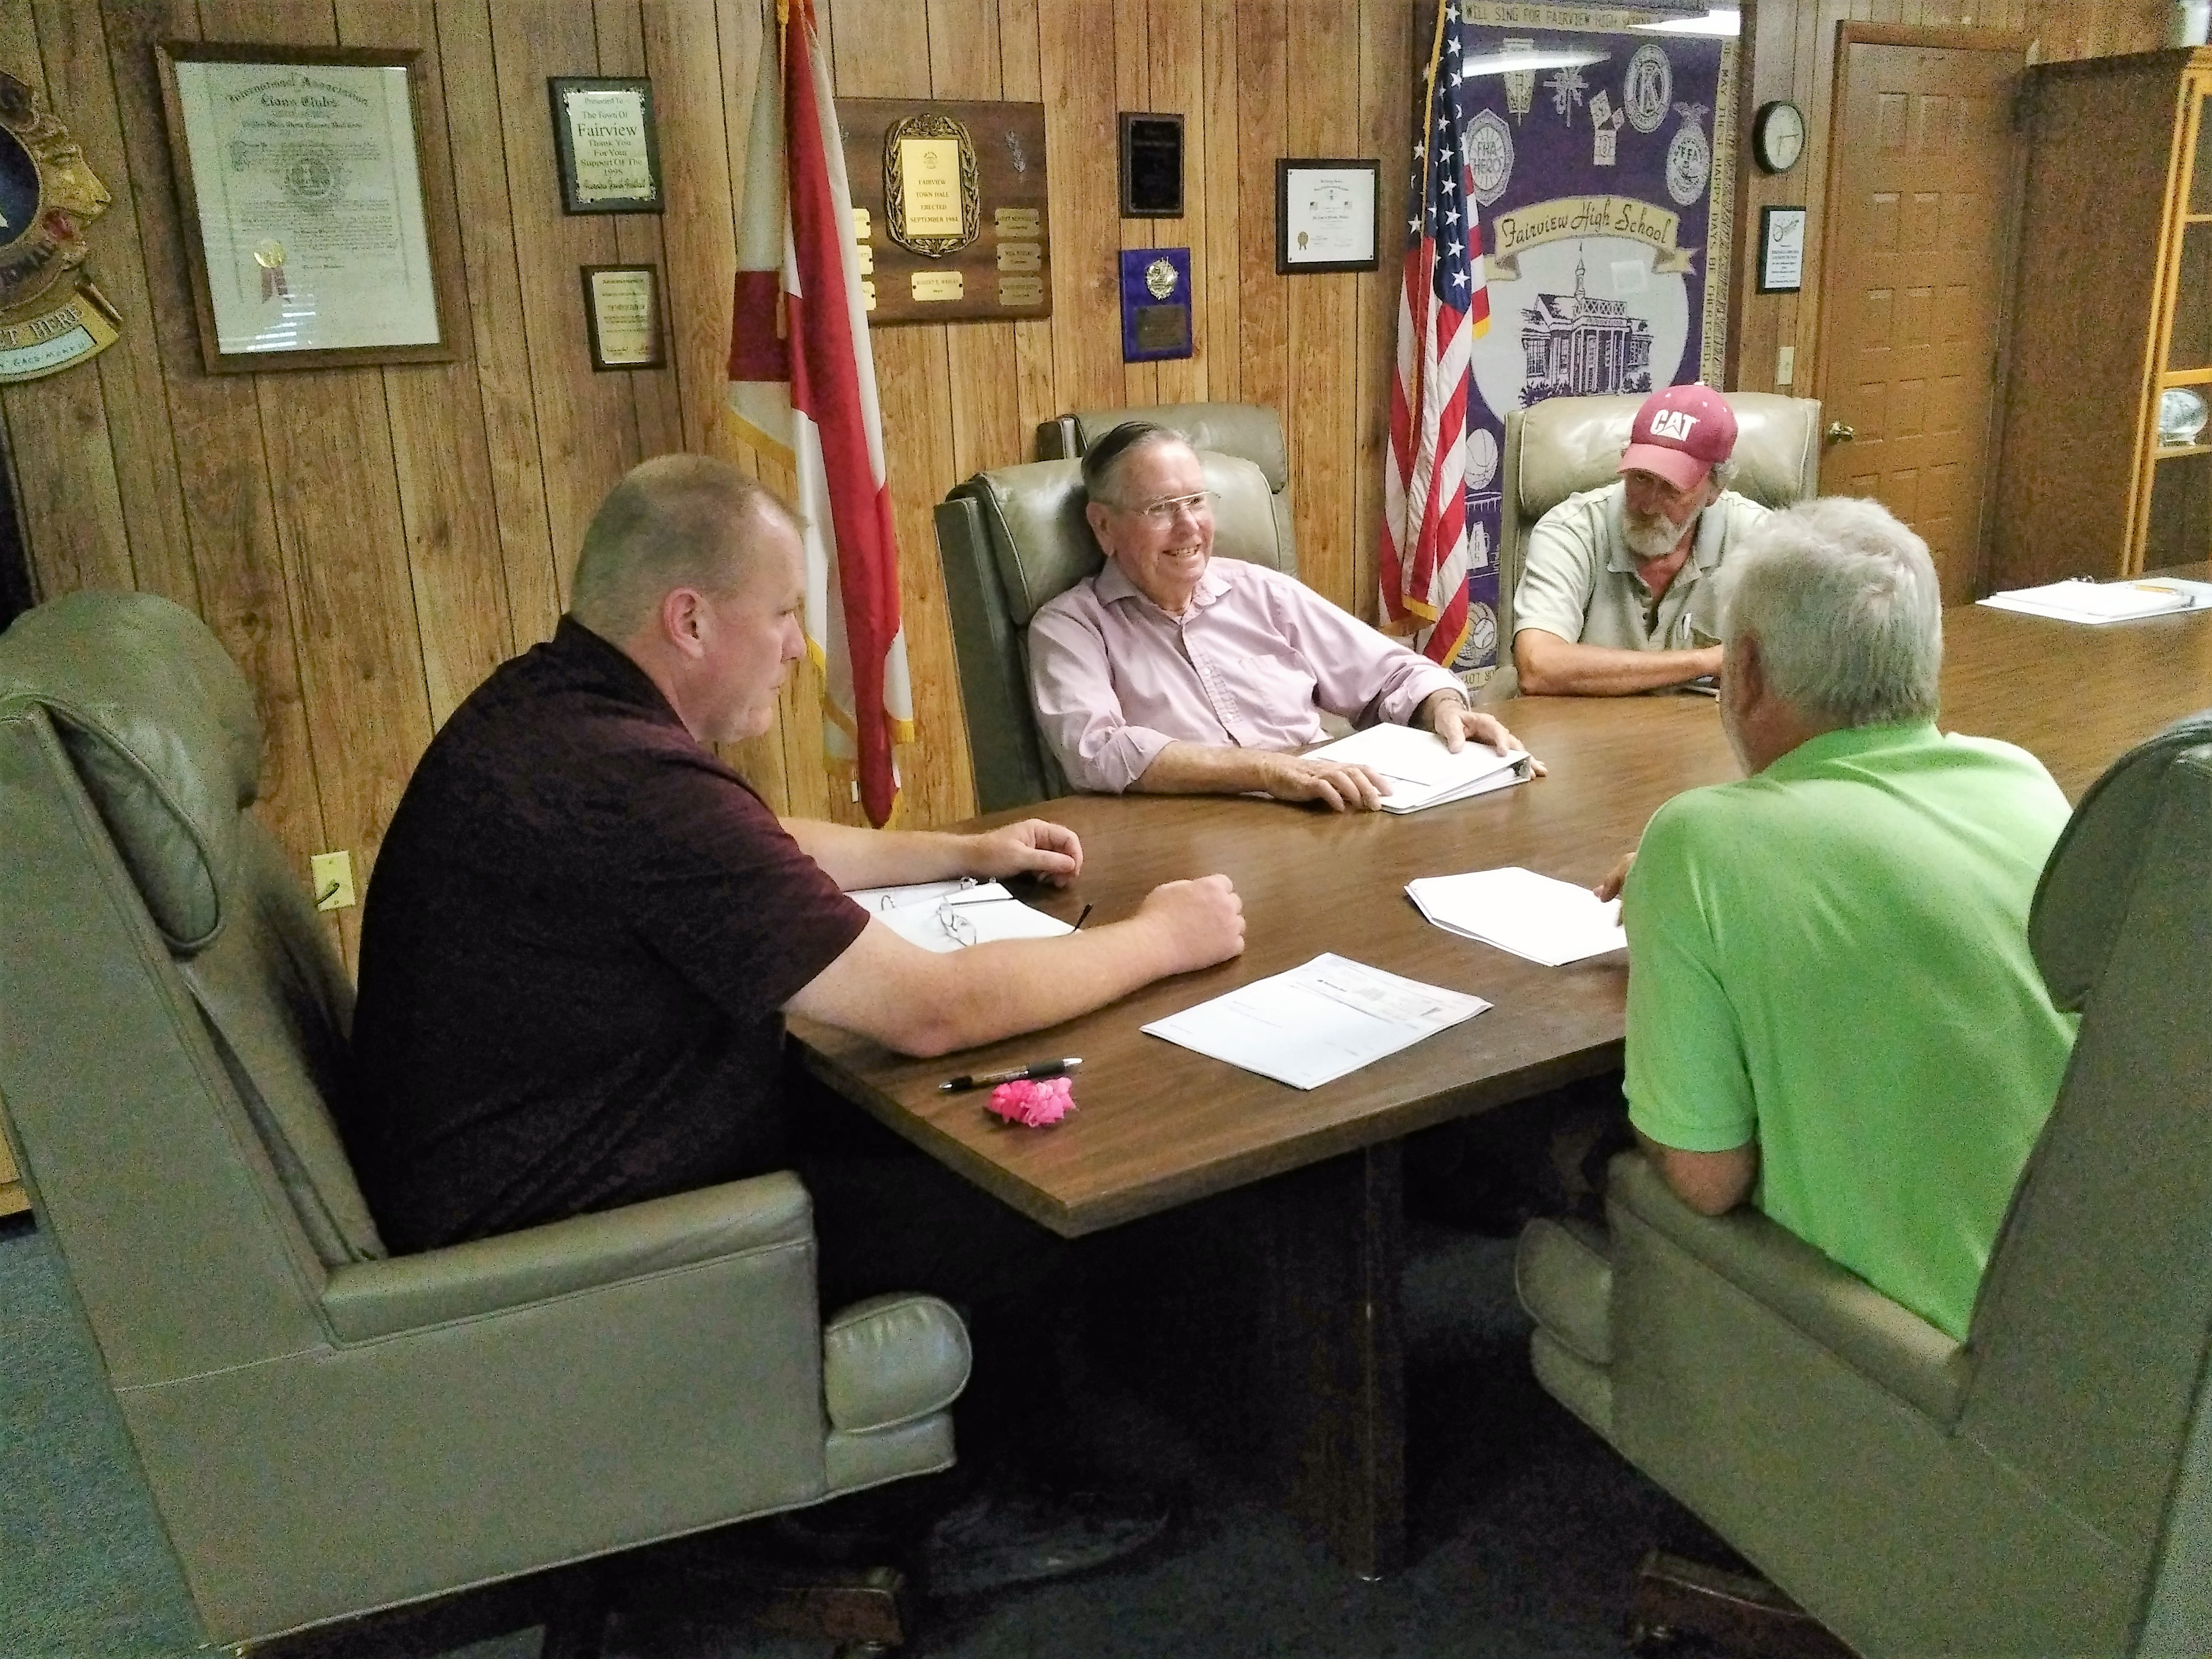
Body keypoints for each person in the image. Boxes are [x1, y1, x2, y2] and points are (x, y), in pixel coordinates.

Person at [344, 454, 1246, 1587]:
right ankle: (943, 1515)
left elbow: (759, 842)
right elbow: (930, 1008)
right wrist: (1165, 937)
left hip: (536, 1165)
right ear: (687, 618)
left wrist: (966, 850)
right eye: (778, 615)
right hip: (580, 1243)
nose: (795, 647)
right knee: (1009, 1193)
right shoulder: (627, 782)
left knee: (930, 1125)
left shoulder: (555, 710)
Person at [1604, 496, 2075, 1340]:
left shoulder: (1697, 843)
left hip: (1920, 1372)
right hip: (2096, 1329)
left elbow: (1705, 1180)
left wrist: (1676, 899)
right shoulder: (2021, 780)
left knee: (1571, 1155)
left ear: (1742, 671)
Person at [1027, 422, 1530, 812]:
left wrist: (1443, 709)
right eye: (1161, 508)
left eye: (1197, 501)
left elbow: (1396, 673)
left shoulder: (1259, 590)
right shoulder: (1071, 626)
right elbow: (1097, 751)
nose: (1188, 527)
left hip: (1330, 814)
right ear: (1102, 525)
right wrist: (1268, 772)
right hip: (1192, 843)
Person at [1512, 383, 1772, 697]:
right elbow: (1538, 666)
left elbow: (1797, 663)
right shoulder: (1570, 529)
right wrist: (1706, 662)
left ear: (1715, 489)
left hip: (1703, 735)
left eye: (1671, 489)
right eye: (1641, 478)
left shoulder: (1761, 539)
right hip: (1583, 732)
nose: (1647, 505)